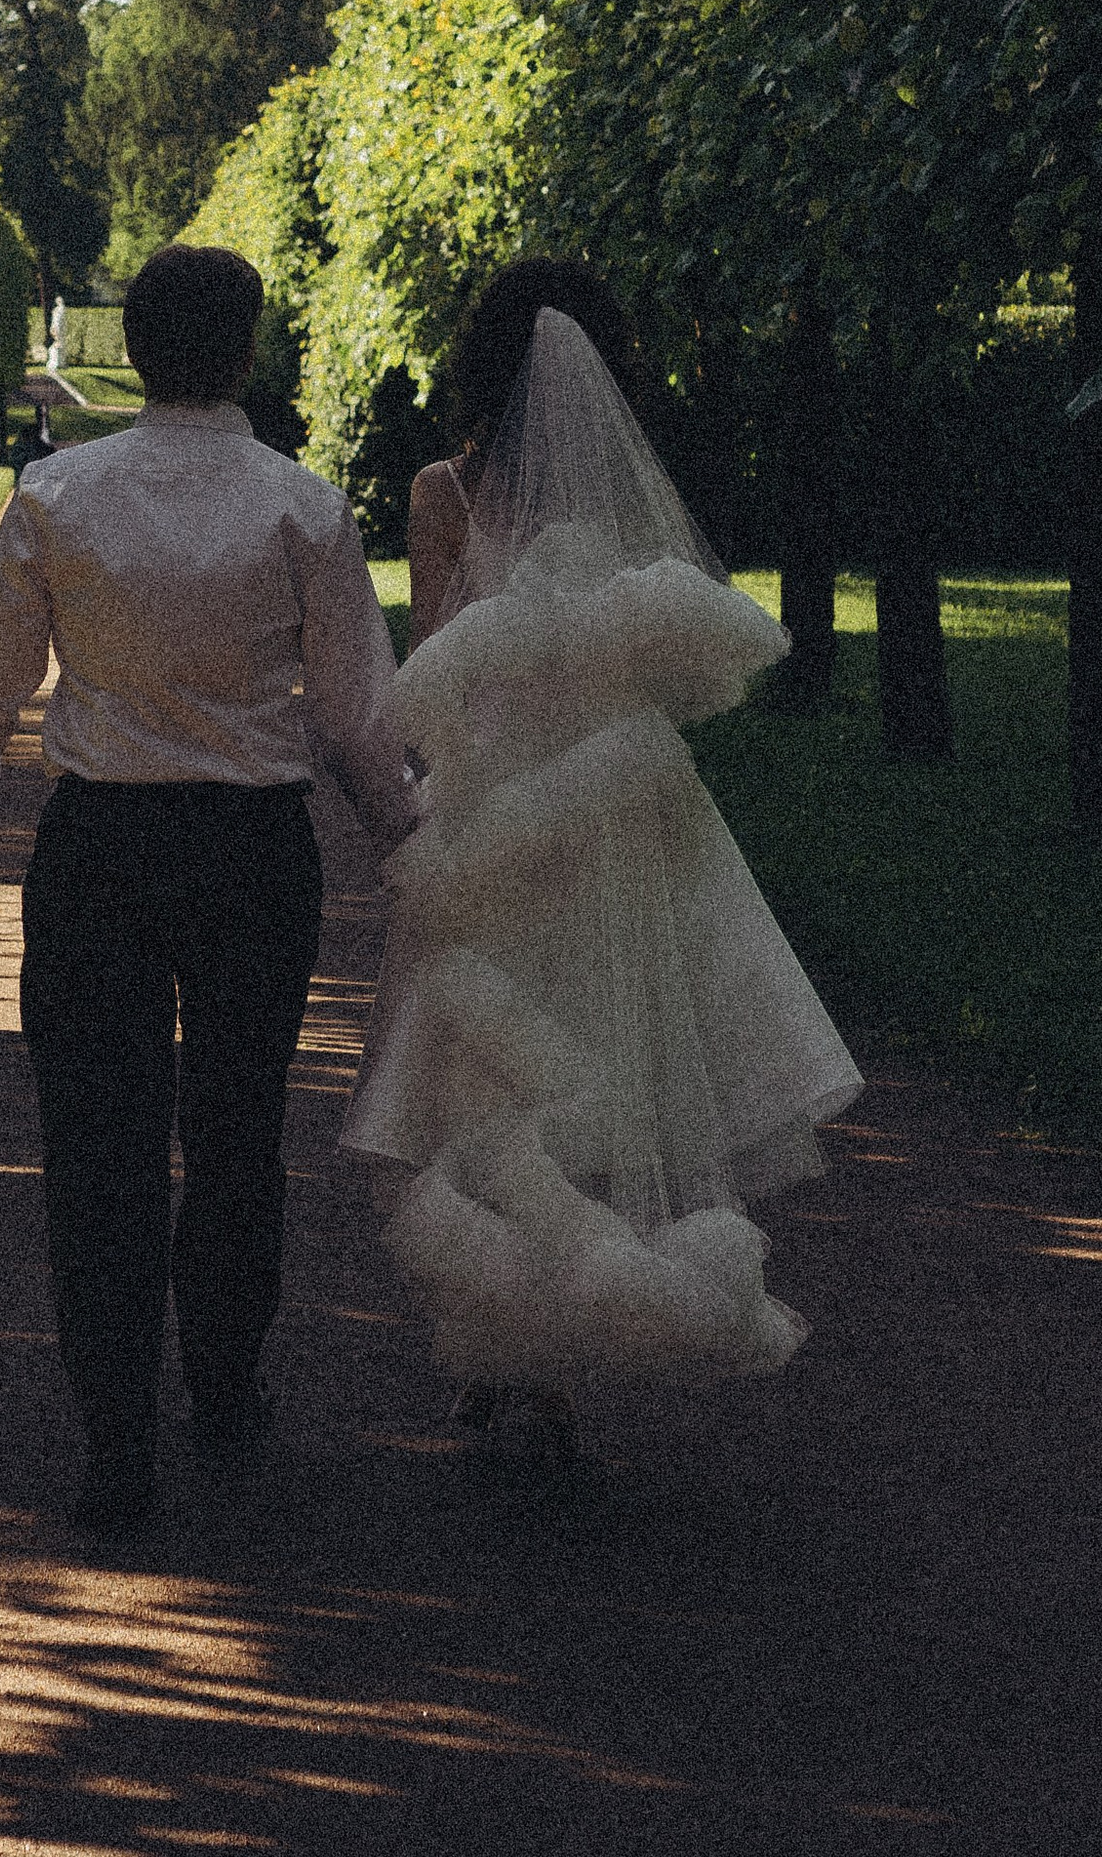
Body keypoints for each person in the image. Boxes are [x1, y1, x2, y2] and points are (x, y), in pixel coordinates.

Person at [0, 243, 417, 1538]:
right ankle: (221, 1381)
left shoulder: (58, 496)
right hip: (256, 853)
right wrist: (411, 841)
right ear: (246, 352)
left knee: (99, 1144)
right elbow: (361, 716)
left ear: (134, 351)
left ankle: (115, 1434)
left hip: (101, 851)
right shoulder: (302, 508)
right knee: (239, 1131)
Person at [345, 262, 860, 1458]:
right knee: (607, 1051)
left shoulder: (442, 494)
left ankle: (506, 1343)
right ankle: (576, 1317)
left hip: (492, 814)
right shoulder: (629, 503)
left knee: (486, 1075)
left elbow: (430, 668)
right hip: (614, 804)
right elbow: (681, 671)